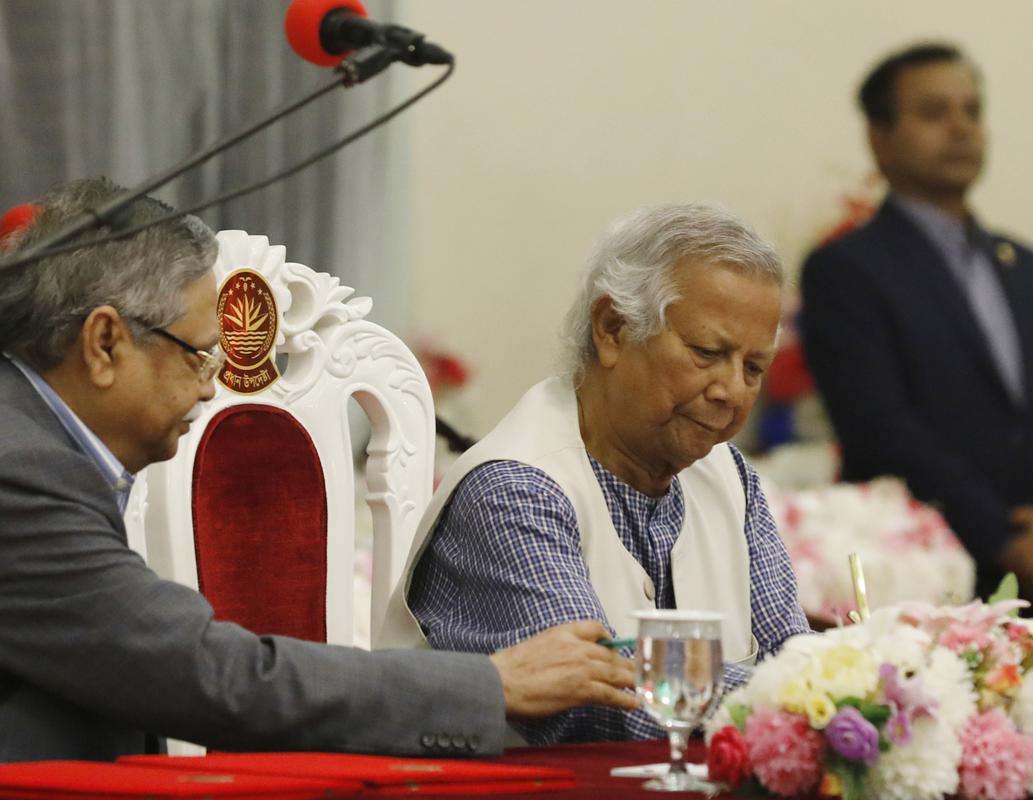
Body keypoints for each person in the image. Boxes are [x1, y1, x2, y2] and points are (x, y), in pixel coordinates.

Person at [0, 177, 636, 763]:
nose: (209, 389)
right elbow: (207, 673)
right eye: (199, 356)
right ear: (105, 343)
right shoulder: (22, 473)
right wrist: (493, 684)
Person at [381, 204, 811, 743]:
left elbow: (792, 657)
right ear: (613, 329)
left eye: (754, 368)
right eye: (707, 353)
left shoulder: (730, 478)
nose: (731, 392)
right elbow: (604, 707)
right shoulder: (515, 490)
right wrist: (816, 707)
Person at [800, 43, 1033, 610]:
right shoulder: (845, 269)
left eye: (972, 110)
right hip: (918, 581)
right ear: (879, 136)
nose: (962, 128)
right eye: (935, 112)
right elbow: (879, 426)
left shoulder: (1028, 268)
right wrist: (1006, 537)